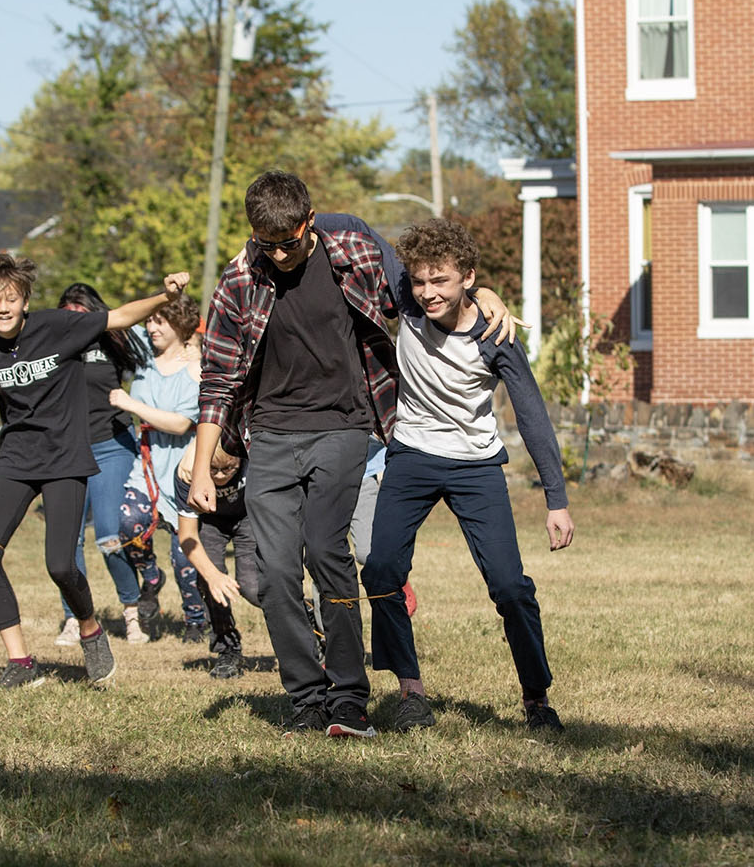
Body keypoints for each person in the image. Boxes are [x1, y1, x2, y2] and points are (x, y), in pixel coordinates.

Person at [188, 172, 516, 738]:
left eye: (289, 241)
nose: (280, 255)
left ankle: (348, 696)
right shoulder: (240, 279)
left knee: (325, 550)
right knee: (275, 572)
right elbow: (217, 377)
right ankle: (305, 697)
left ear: (309, 222)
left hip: (344, 426)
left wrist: (481, 293)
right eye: (268, 244)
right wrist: (201, 466)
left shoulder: (355, 253)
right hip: (268, 434)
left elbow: (420, 293)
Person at [359, 218, 573, 734]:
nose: (428, 293)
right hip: (410, 455)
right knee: (382, 569)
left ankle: (537, 697)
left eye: (442, 282)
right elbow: (358, 228)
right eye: (420, 281)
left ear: (467, 278)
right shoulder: (409, 302)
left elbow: (533, 415)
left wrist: (556, 499)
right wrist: (305, 226)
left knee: (510, 586)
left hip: (476, 465)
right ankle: (410, 691)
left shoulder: (495, 335)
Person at [0, 252, 189, 689]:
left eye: (10, 298)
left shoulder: (57, 326)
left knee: (60, 565)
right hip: (17, 459)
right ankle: (21, 662)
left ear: (25, 300)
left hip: (64, 458)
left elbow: (118, 317)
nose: (2, 308)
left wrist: (165, 295)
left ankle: (89, 627)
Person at [53, 283, 152, 647]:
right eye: (68, 314)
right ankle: (73, 619)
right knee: (68, 542)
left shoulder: (115, 340)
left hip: (111, 445)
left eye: (82, 314)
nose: (74, 322)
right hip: (66, 452)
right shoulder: (52, 348)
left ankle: (131, 611)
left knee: (110, 535)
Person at [114, 294, 205, 642]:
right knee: (128, 522)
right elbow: (123, 322)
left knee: (186, 557)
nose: (151, 327)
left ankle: (196, 621)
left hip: (182, 467)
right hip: (147, 466)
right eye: (150, 321)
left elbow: (182, 424)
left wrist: (130, 403)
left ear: (180, 326)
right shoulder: (143, 360)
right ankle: (151, 578)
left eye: (160, 321)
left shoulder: (195, 368)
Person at [175, 435, 257, 678]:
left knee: (254, 587)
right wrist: (212, 576)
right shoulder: (188, 475)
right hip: (210, 521)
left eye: (228, 468)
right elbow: (187, 537)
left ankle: (305, 626)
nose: (221, 476)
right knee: (210, 584)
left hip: (248, 517)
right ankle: (227, 647)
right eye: (213, 469)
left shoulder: (251, 458)